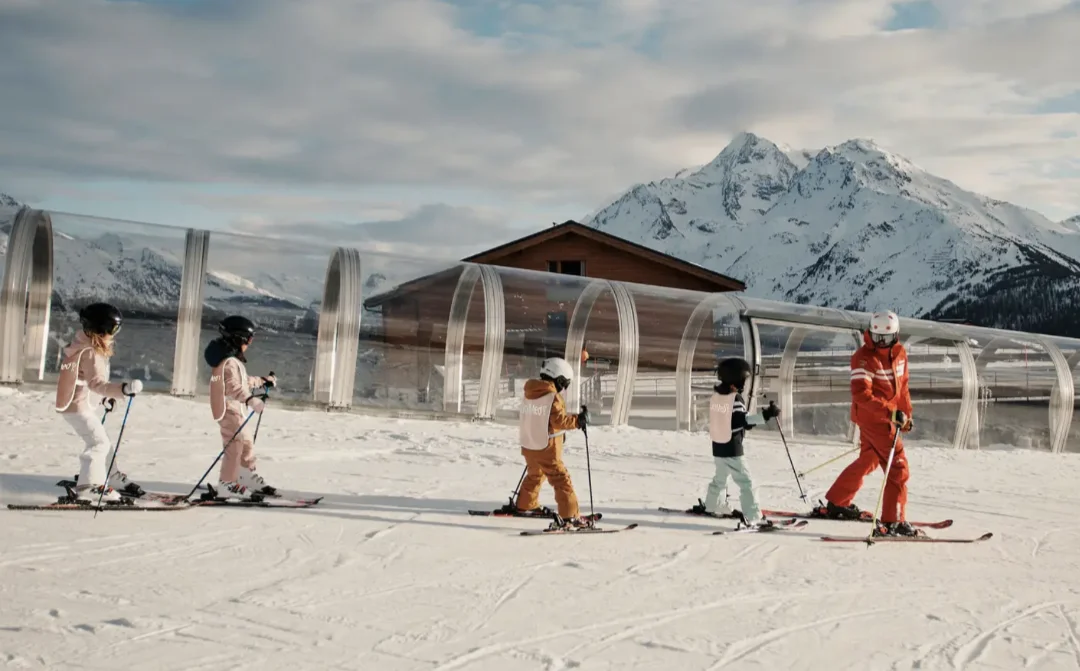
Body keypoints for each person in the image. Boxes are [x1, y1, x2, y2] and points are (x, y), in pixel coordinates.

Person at [820, 310, 915, 536]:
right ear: (870, 334)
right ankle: (893, 521)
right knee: (898, 469)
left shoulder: (900, 354)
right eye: (877, 338)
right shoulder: (863, 358)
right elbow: (861, 395)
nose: (882, 343)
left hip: (886, 418)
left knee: (869, 459)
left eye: (887, 338)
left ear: (896, 336)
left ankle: (838, 501)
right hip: (875, 419)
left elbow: (903, 388)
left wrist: (906, 415)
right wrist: (891, 413)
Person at [55, 303, 144, 504]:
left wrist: (105, 398)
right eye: (114, 329)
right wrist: (123, 389)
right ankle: (90, 486)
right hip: (78, 407)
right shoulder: (90, 353)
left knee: (104, 443)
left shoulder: (79, 347)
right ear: (102, 329)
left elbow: (85, 381)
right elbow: (97, 384)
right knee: (98, 443)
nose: (114, 334)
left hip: (76, 404)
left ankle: (110, 476)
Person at [696, 357, 780, 527]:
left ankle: (714, 505)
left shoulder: (718, 397)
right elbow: (741, 421)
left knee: (720, 479)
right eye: (743, 380)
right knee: (746, 482)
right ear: (736, 381)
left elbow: (732, 421)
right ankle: (754, 516)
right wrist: (766, 415)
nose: (743, 385)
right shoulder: (735, 399)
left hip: (718, 446)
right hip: (733, 448)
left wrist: (750, 422)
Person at [204, 315, 277, 499]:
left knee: (246, 442)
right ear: (239, 339)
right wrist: (251, 400)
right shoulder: (228, 363)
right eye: (249, 340)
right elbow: (233, 387)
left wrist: (262, 381)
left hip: (236, 409)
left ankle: (244, 474)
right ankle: (227, 483)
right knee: (234, 445)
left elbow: (242, 382)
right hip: (228, 409)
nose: (249, 344)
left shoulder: (230, 361)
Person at [515, 357, 590, 528]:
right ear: (559, 378)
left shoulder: (531, 393)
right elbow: (558, 421)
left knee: (535, 474)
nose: (563, 388)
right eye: (564, 383)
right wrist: (578, 421)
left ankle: (526, 504)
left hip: (529, 445)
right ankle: (570, 515)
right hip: (547, 447)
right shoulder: (552, 396)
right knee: (561, 479)